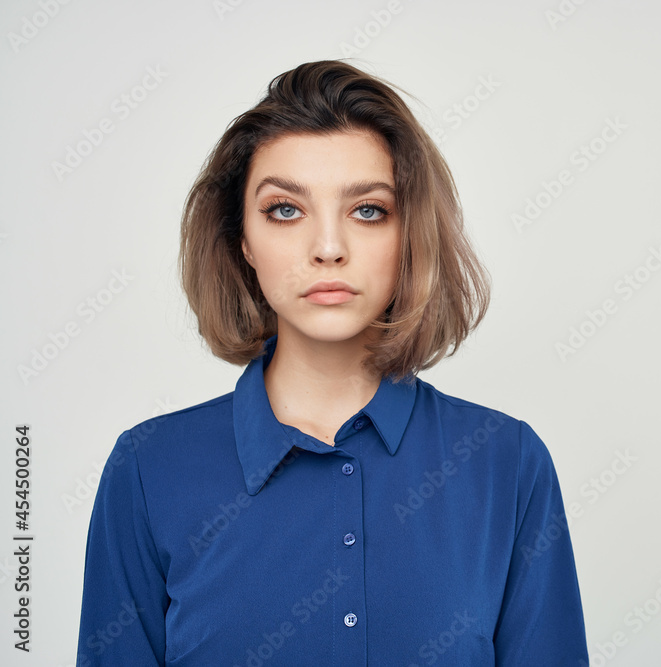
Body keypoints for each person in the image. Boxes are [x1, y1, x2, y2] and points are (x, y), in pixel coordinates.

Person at [75, 59, 588, 666]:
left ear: (409, 234)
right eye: (285, 210)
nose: (327, 248)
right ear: (242, 239)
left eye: (368, 210)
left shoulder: (508, 464)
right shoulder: (147, 471)